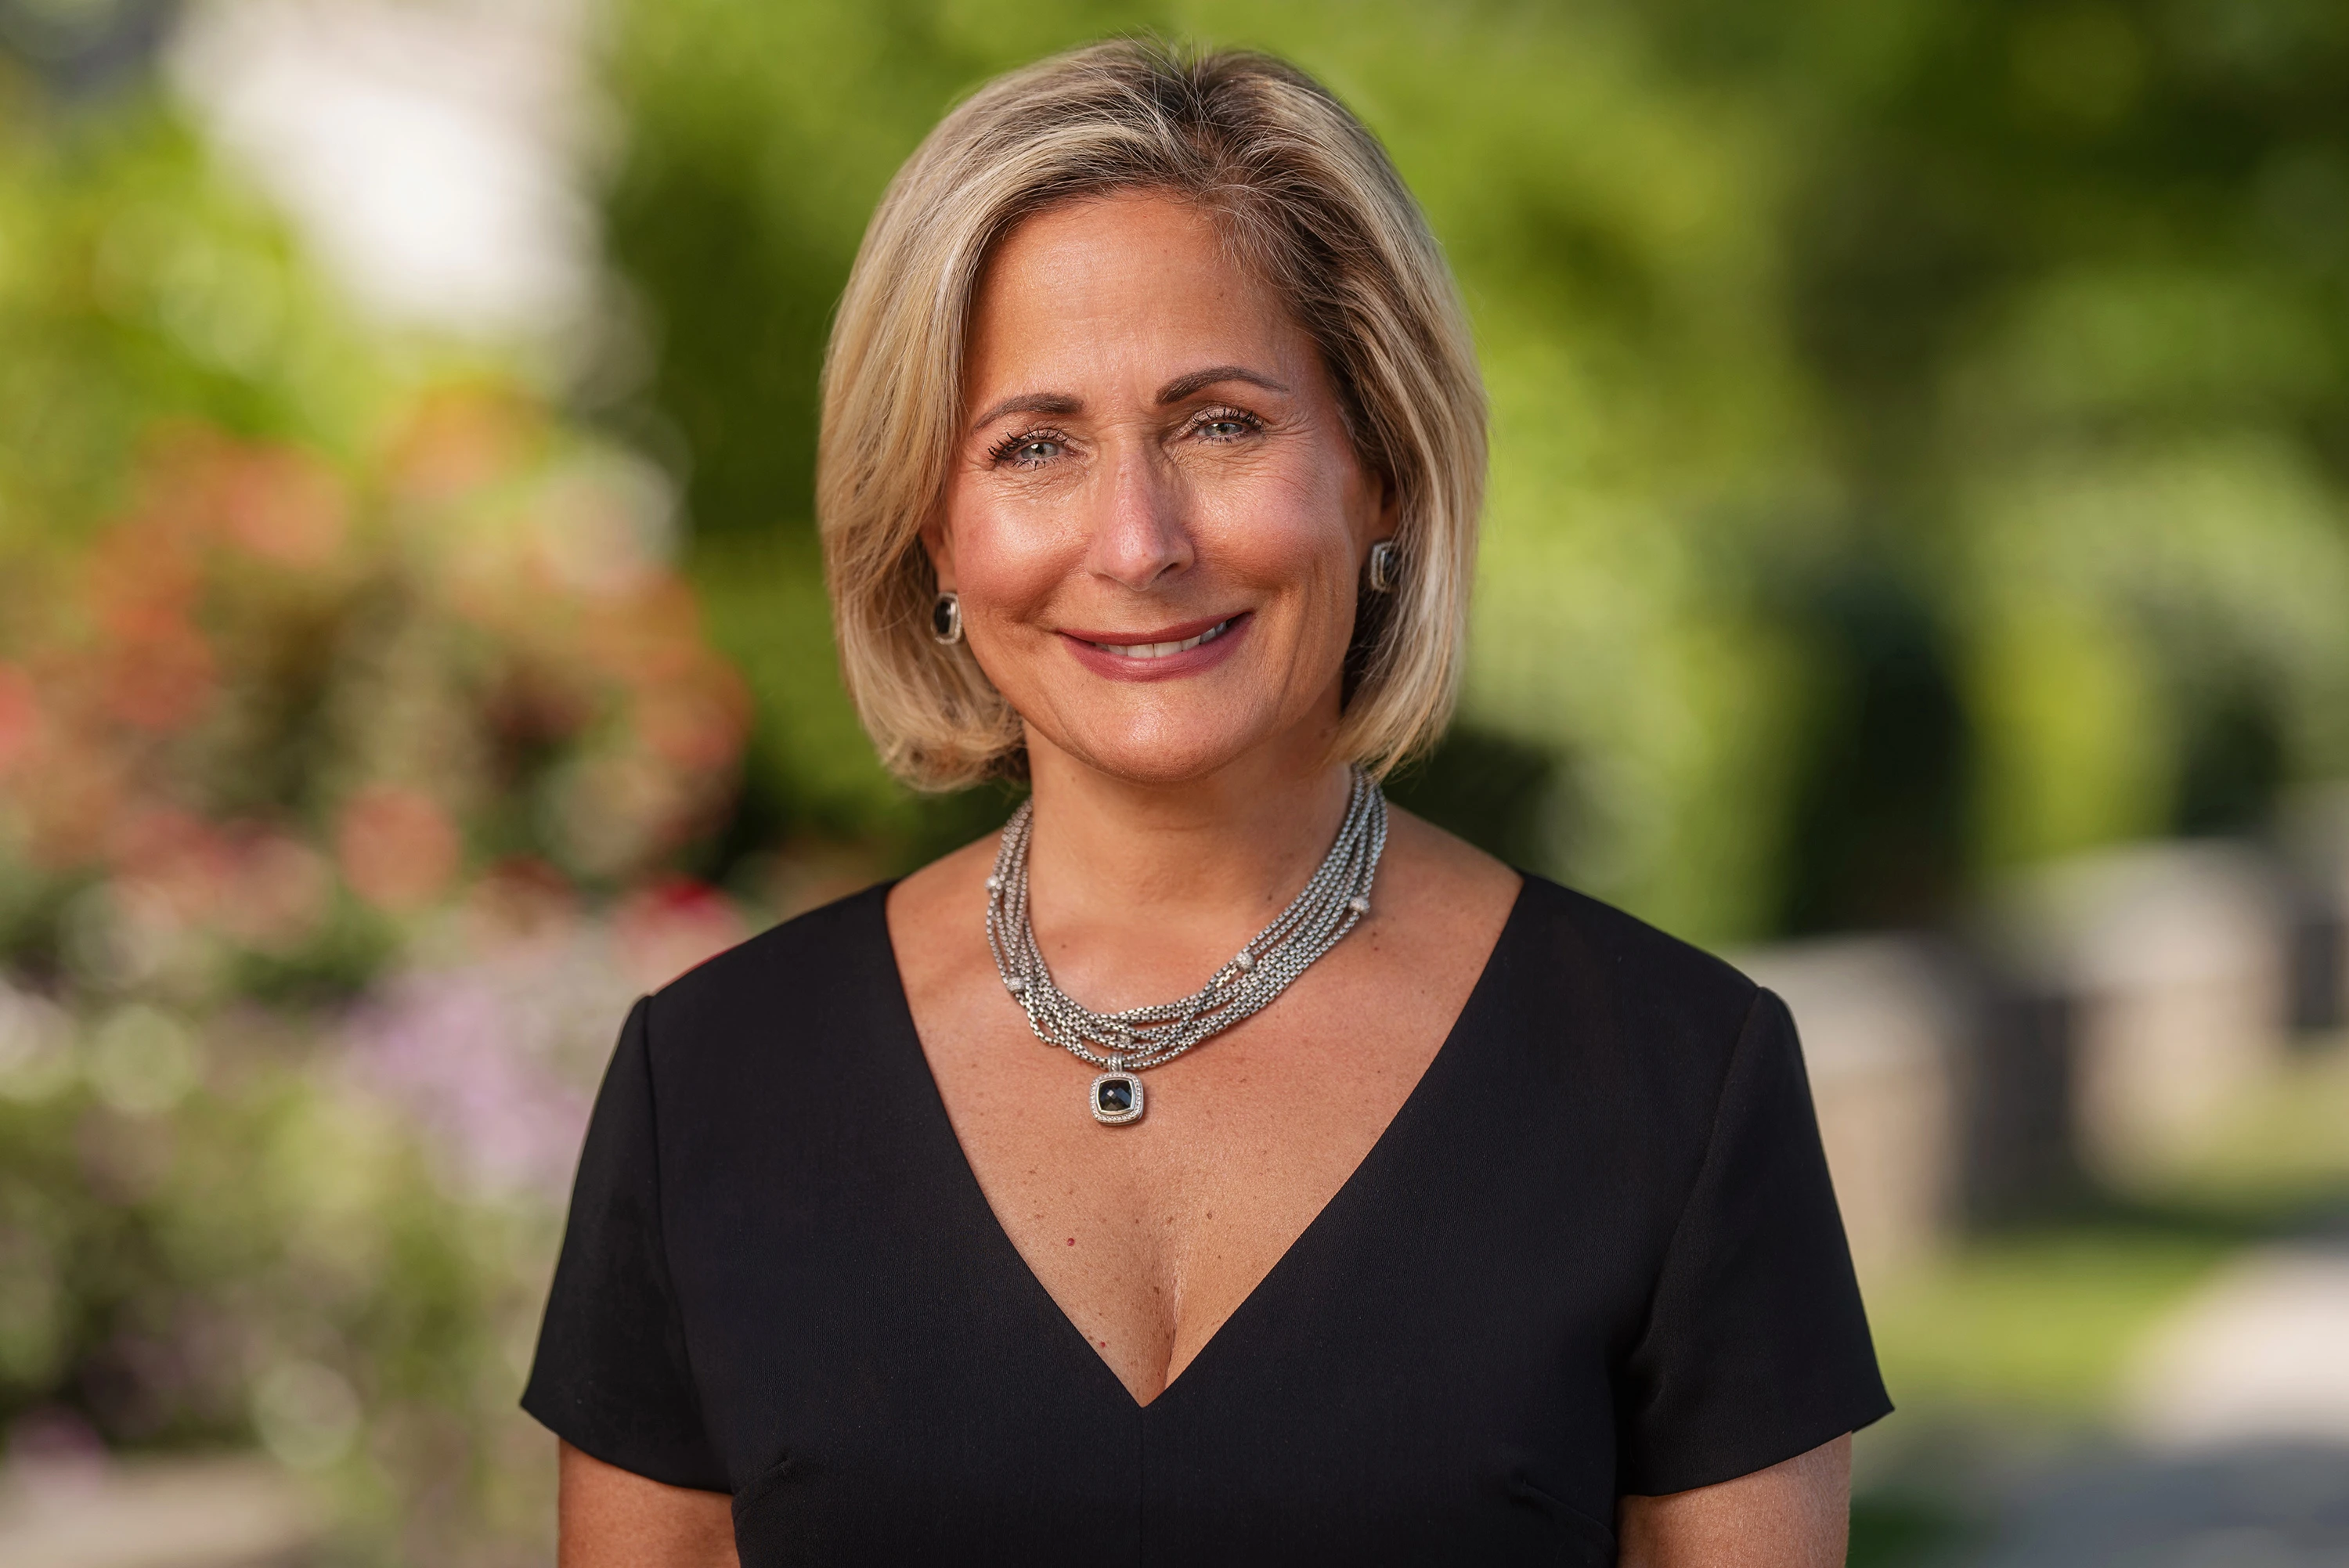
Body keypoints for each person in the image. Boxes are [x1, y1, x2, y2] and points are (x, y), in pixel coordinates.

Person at [524, 40, 1889, 1567]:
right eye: (1034, 445)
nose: (1137, 537)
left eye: (1220, 422)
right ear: (935, 527)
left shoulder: (1678, 1082)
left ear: (1377, 465)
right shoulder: (710, 1083)